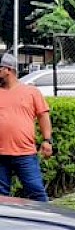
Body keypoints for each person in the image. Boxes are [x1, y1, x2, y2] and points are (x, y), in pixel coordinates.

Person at [0, 53, 53, 202]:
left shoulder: (31, 92)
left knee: (36, 194)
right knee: (1, 198)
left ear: (8, 70)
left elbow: (43, 116)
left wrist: (47, 140)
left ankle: (44, 223)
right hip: (0, 156)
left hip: (25, 154)